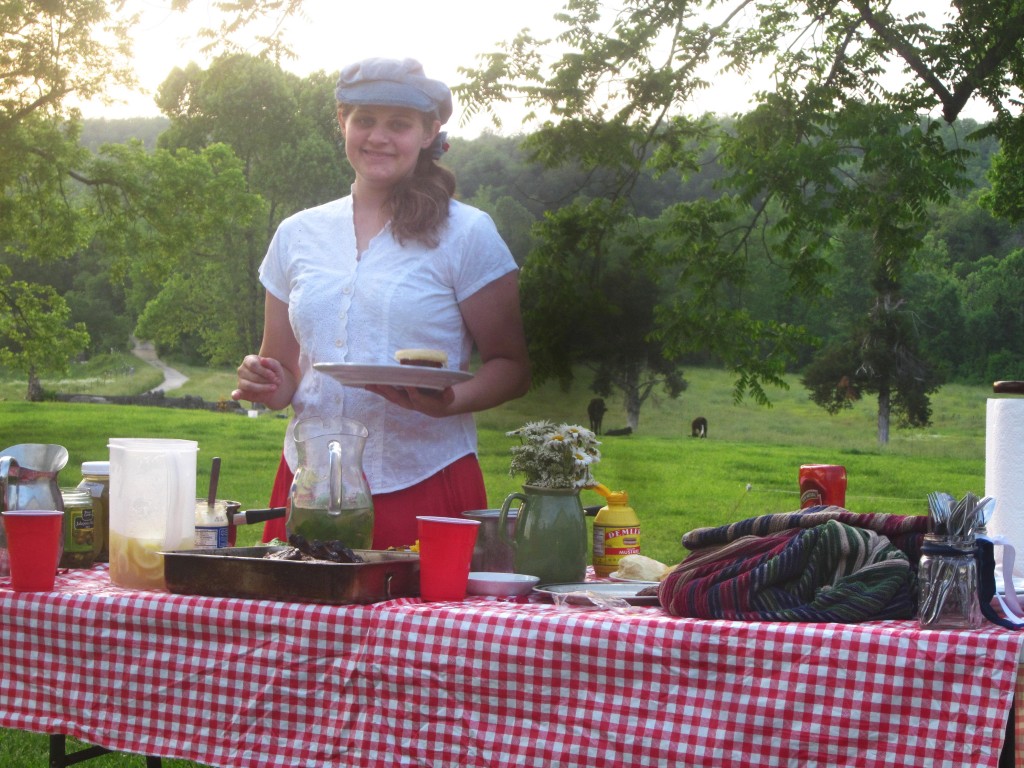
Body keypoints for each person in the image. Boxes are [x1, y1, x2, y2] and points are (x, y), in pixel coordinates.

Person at [232, 57, 530, 548]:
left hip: (426, 487)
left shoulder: (468, 233)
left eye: (399, 124)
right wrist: (262, 380)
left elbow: (511, 366)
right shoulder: (297, 234)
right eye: (365, 120)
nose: (378, 137)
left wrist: (449, 402)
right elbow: (285, 375)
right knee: (296, 627)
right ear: (342, 121)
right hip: (307, 488)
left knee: (425, 627)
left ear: (430, 130)